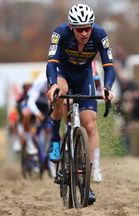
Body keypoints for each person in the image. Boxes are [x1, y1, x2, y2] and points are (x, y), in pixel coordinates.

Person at [46, 4, 115, 204]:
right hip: (62, 74)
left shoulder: (100, 34)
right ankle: (55, 137)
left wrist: (108, 87)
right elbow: (51, 62)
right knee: (61, 92)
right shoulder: (59, 33)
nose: (85, 33)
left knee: (90, 123)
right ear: (71, 27)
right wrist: (52, 85)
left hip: (84, 77)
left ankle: (87, 180)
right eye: (80, 29)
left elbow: (109, 66)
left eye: (88, 28)